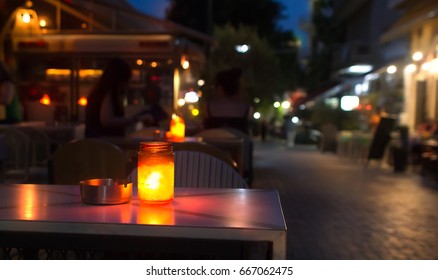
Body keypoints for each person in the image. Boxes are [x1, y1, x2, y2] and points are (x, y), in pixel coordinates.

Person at [85, 57, 139, 137]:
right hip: (105, 144)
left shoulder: (99, 91)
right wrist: (133, 119)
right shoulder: (108, 92)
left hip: (95, 143)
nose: (128, 85)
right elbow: (106, 120)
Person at [202, 67, 250, 134]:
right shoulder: (245, 108)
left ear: (219, 87)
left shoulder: (209, 107)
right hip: (237, 143)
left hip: (213, 143)